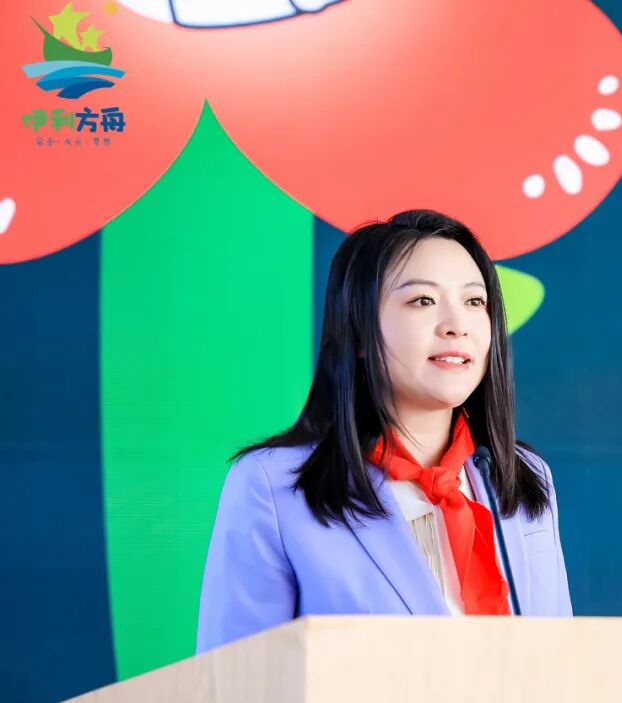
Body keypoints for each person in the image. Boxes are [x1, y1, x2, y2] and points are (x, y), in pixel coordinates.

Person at [196, 209, 571, 653]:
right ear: (357, 332)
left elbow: (560, 660)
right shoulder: (272, 485)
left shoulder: (520, 475)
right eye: (423, 301)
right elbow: (236, 676)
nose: (457, 325)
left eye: (474, 302)